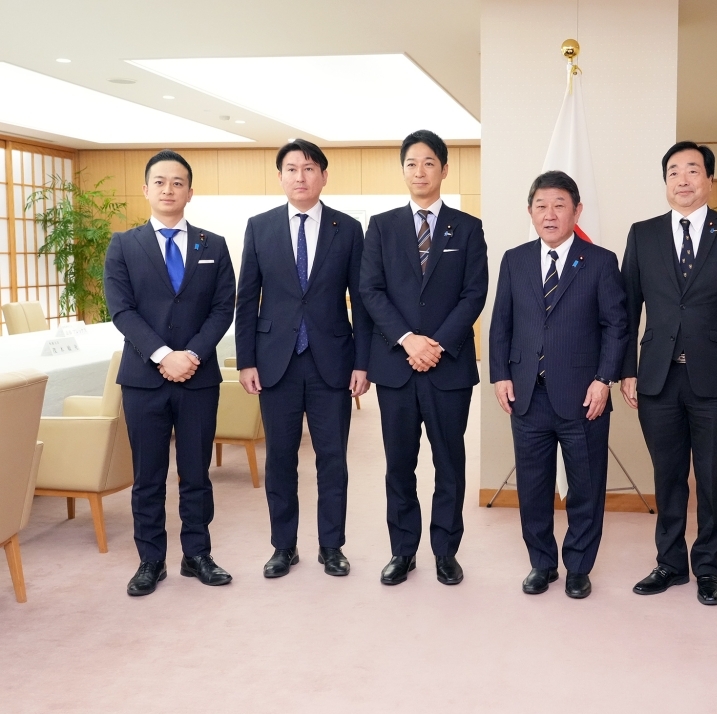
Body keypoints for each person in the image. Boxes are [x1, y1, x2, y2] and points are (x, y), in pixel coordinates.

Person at [621, 141, 717, 606]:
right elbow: (627, 310)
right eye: (674, 172)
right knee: (667, 475)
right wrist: (626, 370)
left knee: (712, 476)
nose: (683, 180)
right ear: (665, 182)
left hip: (716, 377)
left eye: (692, 171)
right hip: (657, 376)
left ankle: (707, 566)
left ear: (708, 180)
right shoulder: (643, 234)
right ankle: (669, 563)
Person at [235, 139, 372, 579]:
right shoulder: (259, 227)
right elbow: (245, 300)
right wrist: (245, 361)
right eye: (291, 169)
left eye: (309, 168)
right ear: (280, 177)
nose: (300, 177)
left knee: (332, 458)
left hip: (332, 360)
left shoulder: (348, 229)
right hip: (276, 363)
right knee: (280, 458)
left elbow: (363, 301)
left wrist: (362, 362)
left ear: (324, 176)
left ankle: (332, 546)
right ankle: (283, 546)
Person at [104, 150, 236, 596]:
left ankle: (197, 554)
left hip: (198, 379)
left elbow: (223, 309)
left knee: (197, 472)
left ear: (190, 192)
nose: (168, 189)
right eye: (159, 182)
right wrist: (163, 354)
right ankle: (150, 560)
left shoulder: (212, 245)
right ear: (146, 190)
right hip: (143, 379)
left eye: (177, 182)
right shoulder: (123, 245)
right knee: (149, 475)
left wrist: (192, 354)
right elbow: (121, 310)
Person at [490, 170, 627, 599]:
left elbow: (616, 327)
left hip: (585, 396)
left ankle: (579, 566)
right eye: (541, 206)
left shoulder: (601, 261)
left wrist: (604, 380)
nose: (549, 215)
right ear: (530, 212)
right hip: (528, 394)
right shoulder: (514, 260)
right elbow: (501, 325)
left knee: (586, 485)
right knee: (532, 486)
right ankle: (542, 563)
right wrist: (500, 375)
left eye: (559, 205)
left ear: (576, 210)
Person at [360, 130, 488, 586]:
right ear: (403, 170)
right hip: (396, 367)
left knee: (449, 464)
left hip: (448, 366)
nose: (420, 171)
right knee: (399, 464)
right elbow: (370, 291)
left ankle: (446, 552)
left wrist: (434, 344)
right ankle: (402, 551)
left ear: (444, 170)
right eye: (412, 163)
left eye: (429, 163)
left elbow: (475, 293)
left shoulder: (467, 227)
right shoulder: (381, 226)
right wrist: (407, 340)